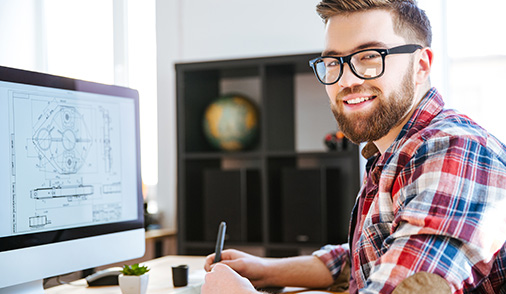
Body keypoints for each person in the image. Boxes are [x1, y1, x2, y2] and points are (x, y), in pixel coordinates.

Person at [201, 0, 506, 293]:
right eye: (334, 62)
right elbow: (370, 256)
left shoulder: (455, 152)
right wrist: (265, 270)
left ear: (421, 66)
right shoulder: (394, 149)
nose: (345, 80)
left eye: (370, 56)